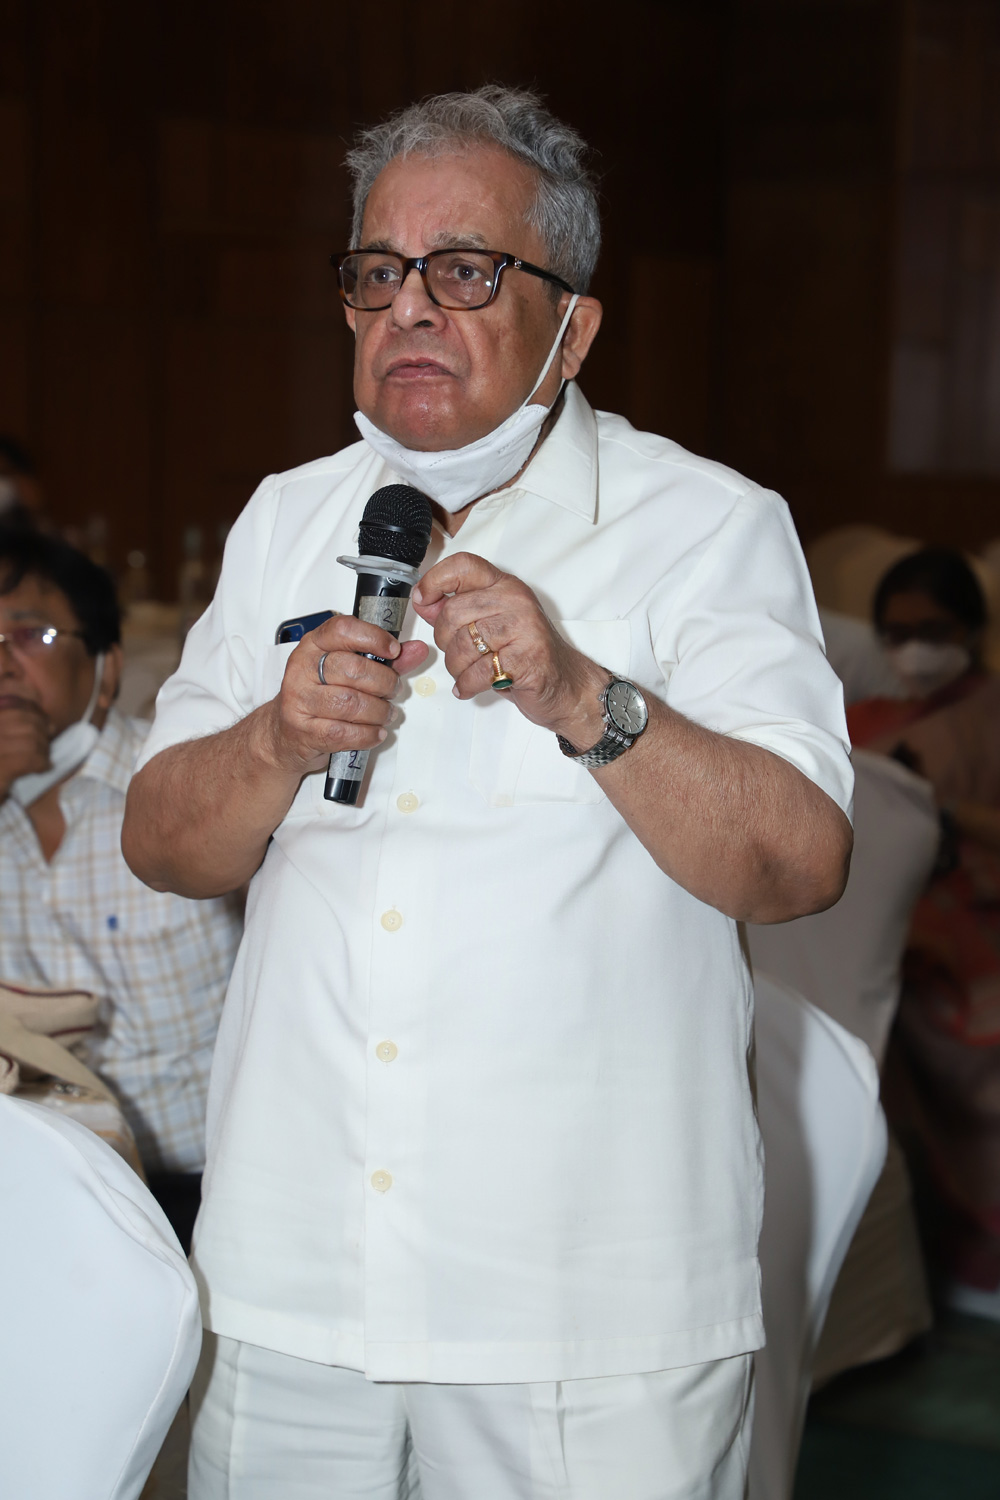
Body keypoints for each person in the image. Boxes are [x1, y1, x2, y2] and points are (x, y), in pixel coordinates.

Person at [122, 87, 854, 1499]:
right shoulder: (285, 517)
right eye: (376, 271)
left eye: (463, 271)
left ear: (571, 328)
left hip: (581, 1305)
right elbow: (164, 845)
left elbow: (798, 863)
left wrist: (586, 698)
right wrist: (274, 741)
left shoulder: (706, 525)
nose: (409, 308)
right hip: (292, 1281)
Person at [0, 525, 242, 1250]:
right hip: (41, 1189)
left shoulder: (183, 790)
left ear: (107, 670)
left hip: (208, 1182)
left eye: (31, 635)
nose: (3, 663)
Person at [847, 547, 1000, 1313]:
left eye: (933, 631)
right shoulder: (860, 719)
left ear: (971, 629)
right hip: (876, 927)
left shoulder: (989, 718)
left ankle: (982, 1249)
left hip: (975, 922)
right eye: (898, 634)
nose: (915, 650)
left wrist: (941, 810)